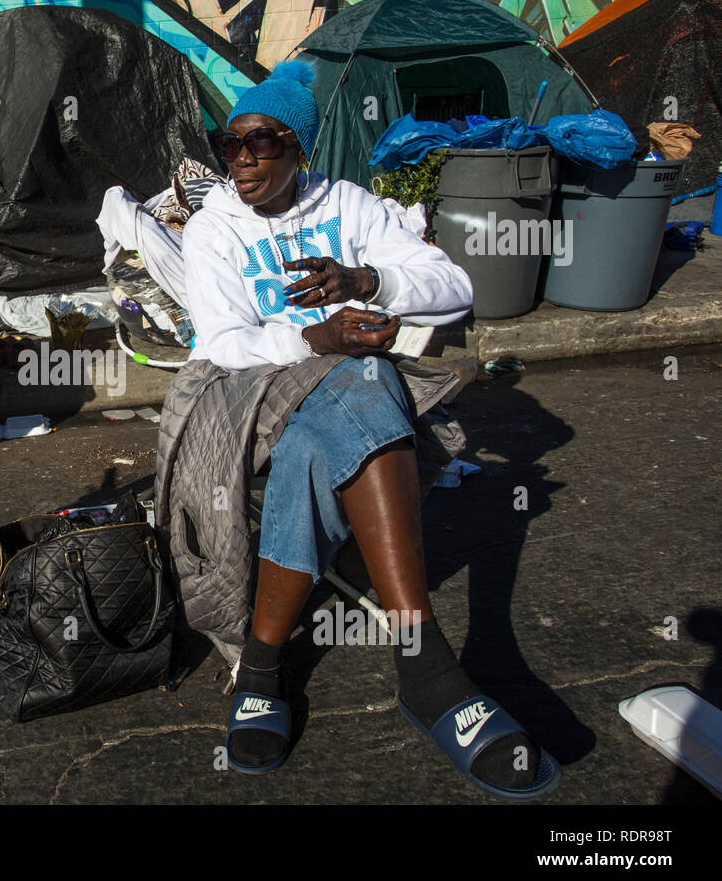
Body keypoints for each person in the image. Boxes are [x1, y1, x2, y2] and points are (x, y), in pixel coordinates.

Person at [179, 61, 558, 798]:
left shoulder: (347, 206)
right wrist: (314, 340)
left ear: (301, 149)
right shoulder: (211, 229)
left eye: (263, 144)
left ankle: (261, 668)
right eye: (231, 146)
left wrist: (366, 281)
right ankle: (427, 669)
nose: (242, 162)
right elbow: (225, 345)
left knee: (346, 405)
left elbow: (454, 288)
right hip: (253, 392)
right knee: (360, 384)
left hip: (345, 385)